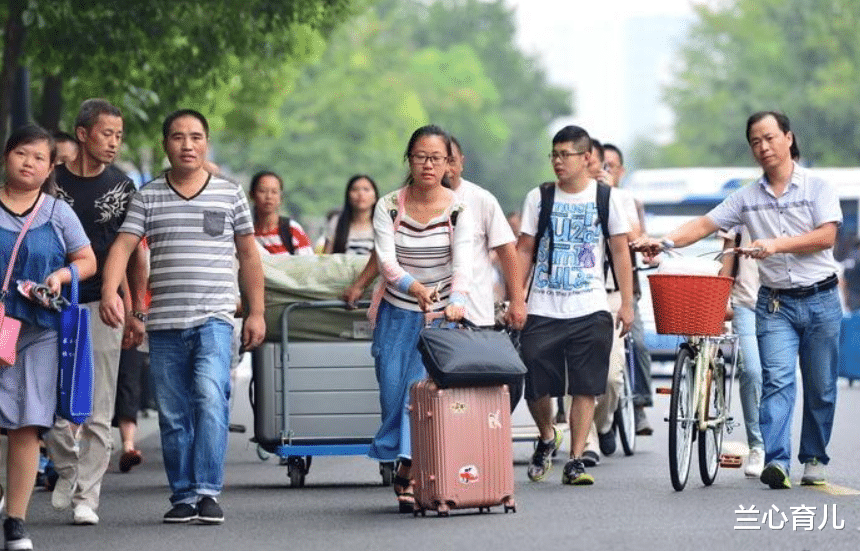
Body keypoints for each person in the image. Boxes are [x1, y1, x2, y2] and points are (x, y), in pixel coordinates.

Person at [633, 111, 842, 489]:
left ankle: (813, 456)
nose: (763, 147)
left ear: (788, 138)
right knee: (775, 379)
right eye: (755, 142)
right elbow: (702, 225)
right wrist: (662, 242)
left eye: (770, 138)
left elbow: (826, 236)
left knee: (821, 385)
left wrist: (775, 245)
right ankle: (777, 461)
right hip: (775, 304)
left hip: (821, 299)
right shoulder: (745, 198)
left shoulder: (817, 187)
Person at [99, 109, 266, 523]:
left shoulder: (230, 194)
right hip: (165, 324)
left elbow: (248, 255)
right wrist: (111, 294)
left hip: (214, 318)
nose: (187, 145)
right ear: (165, 144)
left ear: (206, 143)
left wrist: (258, 312)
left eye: (195, 137)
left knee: (210, 397)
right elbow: (123, 247)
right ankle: (183, 495)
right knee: (174, 415)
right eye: (177, 137)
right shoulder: (148, 196)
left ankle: (208, 490)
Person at [45, 98, 146, 527]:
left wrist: (137, 309)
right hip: (49, 303)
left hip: (104, 304)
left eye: (119, 136)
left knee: (99, 406)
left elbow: (135, 253)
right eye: (107, 133)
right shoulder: (50, 184)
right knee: (45, 405)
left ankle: (88, 495)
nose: (114, 143)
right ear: (83, 133)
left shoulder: (123, 187)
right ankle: (68, 472)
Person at [517, 125, 633, 486]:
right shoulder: (539, 198)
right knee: (535, 383)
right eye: (553, 154)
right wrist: (517, 297)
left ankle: (577, 457)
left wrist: (626, 304)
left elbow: (619, 251)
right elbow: (524, 248)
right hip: (543, 306)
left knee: (586, 386)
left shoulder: (606, 198)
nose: (557, 161)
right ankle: (547, 435)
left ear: (586, 158)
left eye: (565, 154)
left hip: (591, 305)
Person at [366, 125, 472, 512]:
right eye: (420, 157)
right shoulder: (389, 206)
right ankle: (402, 460)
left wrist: (457, 300)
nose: (428, 165)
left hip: (439, 317)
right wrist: (414, 288)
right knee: (393, 395)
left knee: (418, 395)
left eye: (436, 158)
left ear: (448, 163)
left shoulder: (460, 209)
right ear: (409, 160)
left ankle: (409, 472)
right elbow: (387, 262)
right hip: (396, 312)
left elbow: (463, 264)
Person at [0, 125, 96, 551]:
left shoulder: (57, 213)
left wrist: (61, 275)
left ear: (50, 167)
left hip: (38, 330)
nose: (29, 163)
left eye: (39, 158)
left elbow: (88, 259)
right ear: (7, 157)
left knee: (26, 424)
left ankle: (15, 522)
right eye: (21, 153)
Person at [604, 143, 654, 436]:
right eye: (602, 166)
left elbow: (638, 239)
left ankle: (639, 404)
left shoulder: (626, 199)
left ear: (621, 171)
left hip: (625, 288)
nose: (605, 172)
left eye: (611, 166)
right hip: (595, 289)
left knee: (637, 342)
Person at [719, 225, 764, 477]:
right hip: (745, 304)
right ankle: (757, 446)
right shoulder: (740, 206)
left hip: (783, 302)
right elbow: (727, 258)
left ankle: (778, 449)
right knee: (752, 371)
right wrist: (721, 301)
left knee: (777, 378)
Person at [249, 170, 313, 256]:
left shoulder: (292, 231)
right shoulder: (246, 236)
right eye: (263, 191)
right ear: (252, 195)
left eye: (274, 192)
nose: (269, 196)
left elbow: (308, 266)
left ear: (281, 197)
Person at [323, 174, 378, 255]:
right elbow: (326, 257)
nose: (361, 193)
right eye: (355, 189)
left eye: (366, 189)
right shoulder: (337, 222)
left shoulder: (382, 224)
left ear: (375, 197)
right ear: (348, 195)